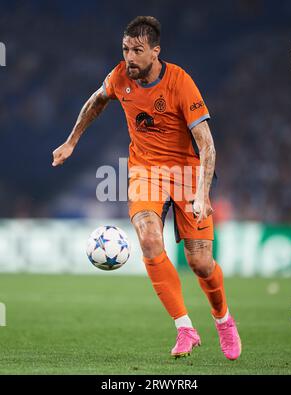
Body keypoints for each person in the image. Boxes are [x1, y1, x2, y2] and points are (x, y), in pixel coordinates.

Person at [52, 16, 241, 360]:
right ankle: (184, 327)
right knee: (150, 238)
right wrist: (71, 142)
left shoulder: (180, 83)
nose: (129, 57)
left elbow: (208, 145)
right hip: (145, 171)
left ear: (156, 52)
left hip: (186, 172)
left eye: (137, 50)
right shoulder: (120, 77)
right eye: (125, 49)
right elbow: (96, 101)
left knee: (200, 263)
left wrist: (202, 194)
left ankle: (223, 319)